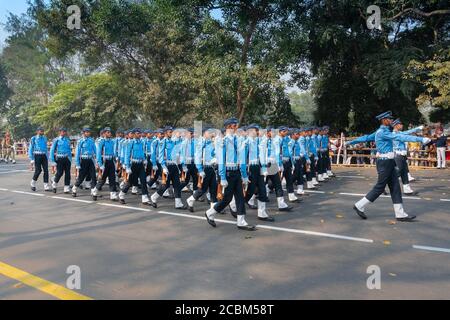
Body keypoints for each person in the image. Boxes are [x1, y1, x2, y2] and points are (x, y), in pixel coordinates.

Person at [353, 111, 430, 222]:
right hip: (384, 162)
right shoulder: (382, 132)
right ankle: (359, 205)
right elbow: (400, 137)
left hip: (389, 161)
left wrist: (350, 142)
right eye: (389, 119)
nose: (391, 121)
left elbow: (365, 138)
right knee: (380, 187)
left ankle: (400, 214)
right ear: (384, 120)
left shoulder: (384, 131)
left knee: (395, 188)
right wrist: (421, 139)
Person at [205, 118, 256, 230]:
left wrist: (244, 176)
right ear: (228, 126)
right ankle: (210, 212)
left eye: (236, 125)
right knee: (226, 199)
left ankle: (241, 221)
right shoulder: (221, 140)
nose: (236, 127)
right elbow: (221, 160)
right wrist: (222, 177)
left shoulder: (239, 140)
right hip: (227, 172)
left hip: (237, 171)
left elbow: (242, 160)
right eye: (234, 126)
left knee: (240, 197)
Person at [150, 126, 187, 209]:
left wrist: (183, 165)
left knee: (177, 185)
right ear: (166, 133)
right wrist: (163, 167)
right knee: (165, 186)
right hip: (167, 165)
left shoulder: (174, 142)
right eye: (170, 132)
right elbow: (160, 156)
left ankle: (178, 203)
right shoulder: (163, 142)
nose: (172, 133)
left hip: (174, 165)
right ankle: (154, 197)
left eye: (172, 132)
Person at [119, 128, 153, 205]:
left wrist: (144, 159)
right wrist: (127, 166)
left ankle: (144, 198)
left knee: (143, 181)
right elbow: (127, 155)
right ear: (134, 134)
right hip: (133, 164)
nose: (139, 134)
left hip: (140, 164)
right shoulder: (130, 143)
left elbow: (142, 152)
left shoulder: (141, 142)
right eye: (138, 133)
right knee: (130, 182)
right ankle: (121, 195)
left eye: (140, 133)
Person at [93, 127, 118, 201]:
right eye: (108, 132)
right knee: (103, 179)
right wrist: (100, 164)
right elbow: (98, 153)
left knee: (112, 178)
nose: (110, 133)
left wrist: (116, 159)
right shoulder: (101, 141)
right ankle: (95, 190)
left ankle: (113, 194)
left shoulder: (111, 141)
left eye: (110, 132)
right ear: (104, 133)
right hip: (104, 161)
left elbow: (114, 151)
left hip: (111, 161)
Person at [72, 127, 98, 199]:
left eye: (89, 132)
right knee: (81, 177)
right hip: (83, 160)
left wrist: (98, 160)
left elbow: (95, 151)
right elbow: (77, 153)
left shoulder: (91, 140)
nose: (88, 133)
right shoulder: (80, 141)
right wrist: (77, 164)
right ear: (83, 133)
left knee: (93, 176)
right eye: (86, 132)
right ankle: (74, 188)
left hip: (90, 160)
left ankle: (93, 191)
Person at [49, 127, 72, 194]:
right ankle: (54, 184)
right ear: (60, 132)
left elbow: (69, 150)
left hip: (67, 158)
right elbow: (52, 150)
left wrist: (70, 158)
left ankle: (66, 187)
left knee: (68, 173)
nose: (64, 132)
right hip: (59, 158)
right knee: (59, 173)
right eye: (62, 131)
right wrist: (52, 160)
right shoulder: (56, 140)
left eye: (65, 131)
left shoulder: (67, 140)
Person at [29, 127, 51, 192]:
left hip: (44, 155)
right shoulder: (33, 138)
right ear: (37, 131)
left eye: (43, 131)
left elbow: (46, 148)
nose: (42, 132)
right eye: (41, 131)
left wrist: (47, 156)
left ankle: (46, 185)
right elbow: (30, 148)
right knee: (38, 170)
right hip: (37, 155)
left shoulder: (44, 138)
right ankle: (33, 183)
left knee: (46, 170)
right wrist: (32, 158)